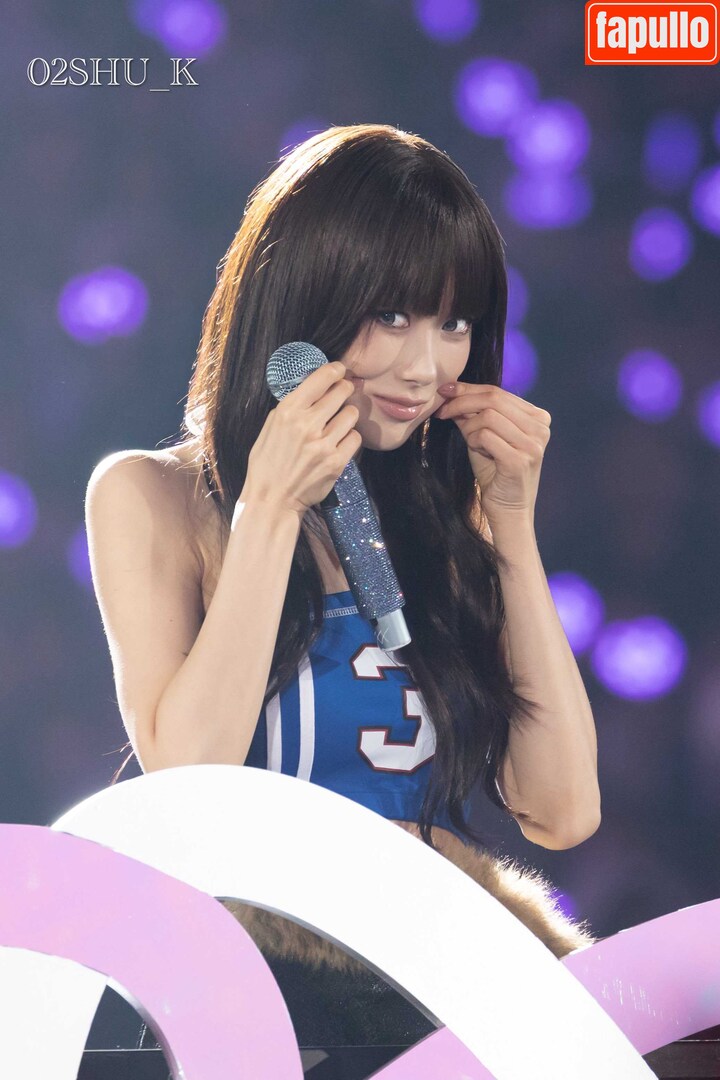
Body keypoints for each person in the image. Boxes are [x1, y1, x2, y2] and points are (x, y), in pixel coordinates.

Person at [85, 123, 601, 1066]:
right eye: (392, 316)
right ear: (305, 300)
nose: (426, 367)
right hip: (249, 980)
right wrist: (270, 508)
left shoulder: (445, 518)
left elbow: (562, 810)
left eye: (454, 325)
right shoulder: (151, 497)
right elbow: (186, 779)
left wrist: (512, 530)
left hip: (434, 968)